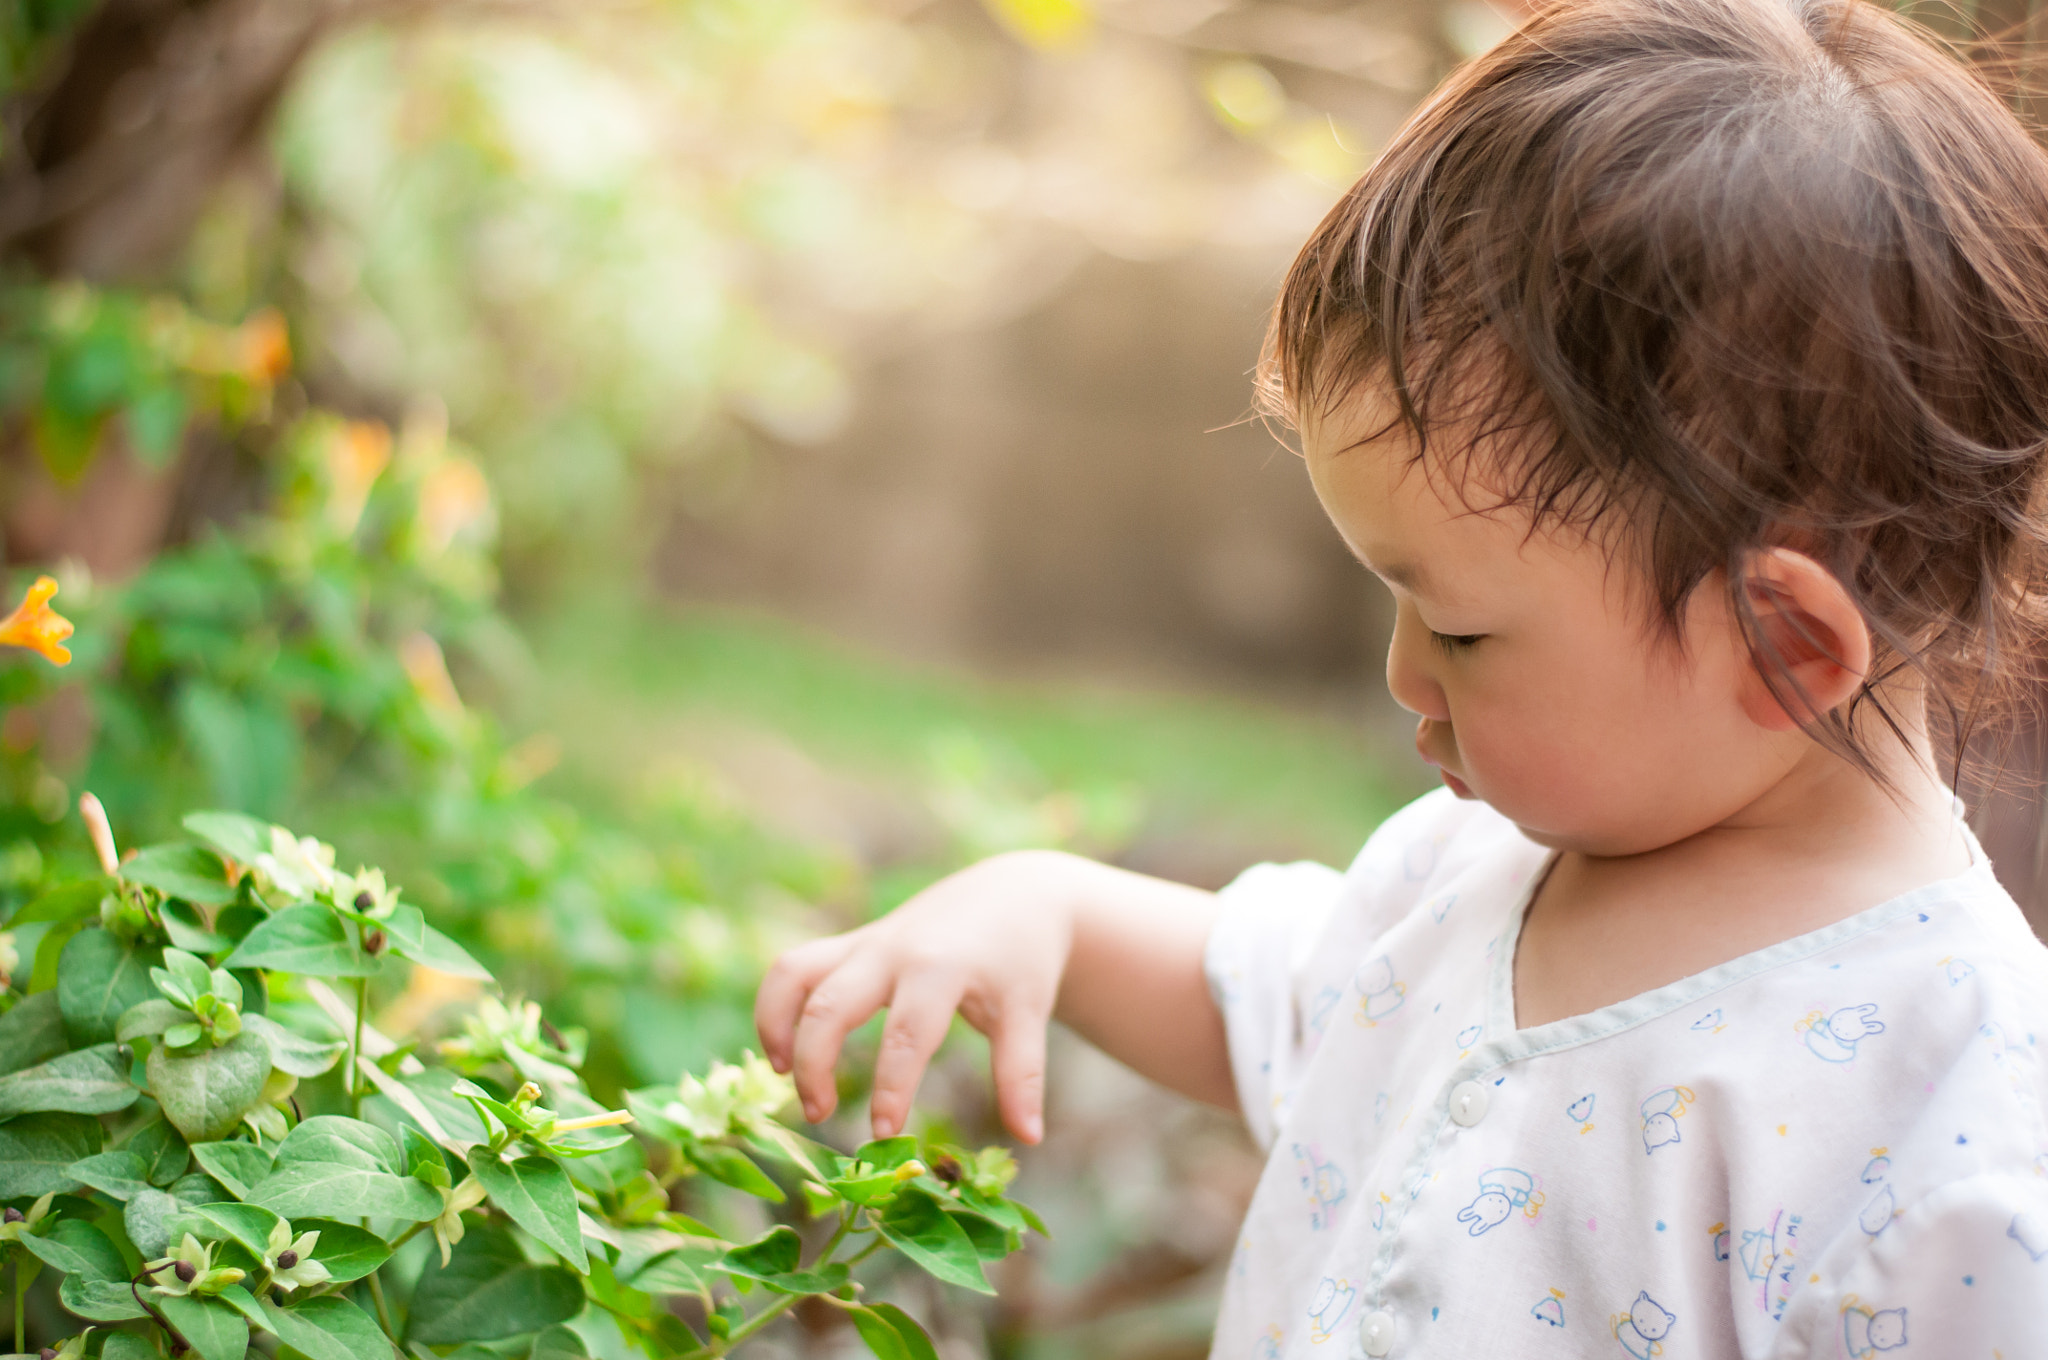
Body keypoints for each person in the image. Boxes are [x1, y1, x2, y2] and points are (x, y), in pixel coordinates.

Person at [753, 0, 2048, 1352]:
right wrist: (1049, 913)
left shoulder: (1950, 1132)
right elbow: (1279, 1004)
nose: (1402, 676)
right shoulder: (1470, 875)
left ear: (1783, 646)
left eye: (1463, 631)